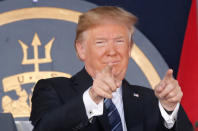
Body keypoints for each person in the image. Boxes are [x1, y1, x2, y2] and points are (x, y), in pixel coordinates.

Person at [30, 6, 193, 131]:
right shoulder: (54, 90)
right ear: (81, 49)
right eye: (100, 42)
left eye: (120, 41)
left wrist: (168, 110)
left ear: (129, 49)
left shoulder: (152, 101)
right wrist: (92, 97)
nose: (112, 51)